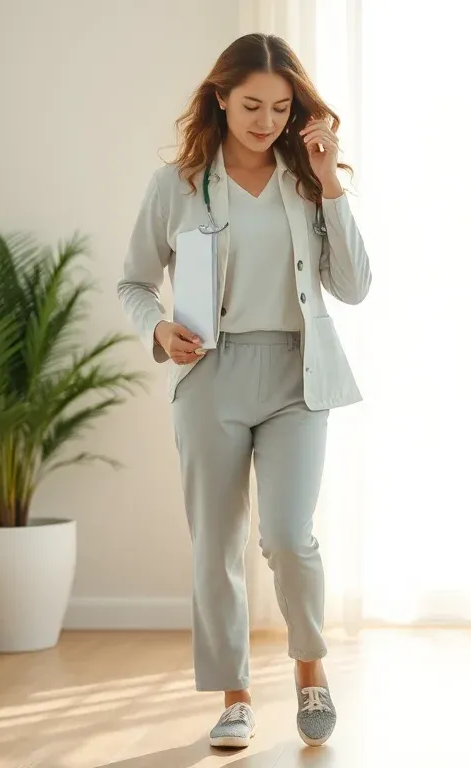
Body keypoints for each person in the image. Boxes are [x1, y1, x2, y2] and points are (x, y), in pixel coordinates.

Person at [117, 33, 370, 749]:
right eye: (252, 104)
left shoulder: (304, 180)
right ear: (220, 97)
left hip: (297, 374)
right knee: (215, 546)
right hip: (210, 378)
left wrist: (330, 183)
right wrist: (158, 331)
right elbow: (133, 282)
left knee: (289, 537)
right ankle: (233, 697)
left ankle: (310, 669)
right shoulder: (176, 184)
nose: (265, 121)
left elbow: (353, 287)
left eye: (281, 107)